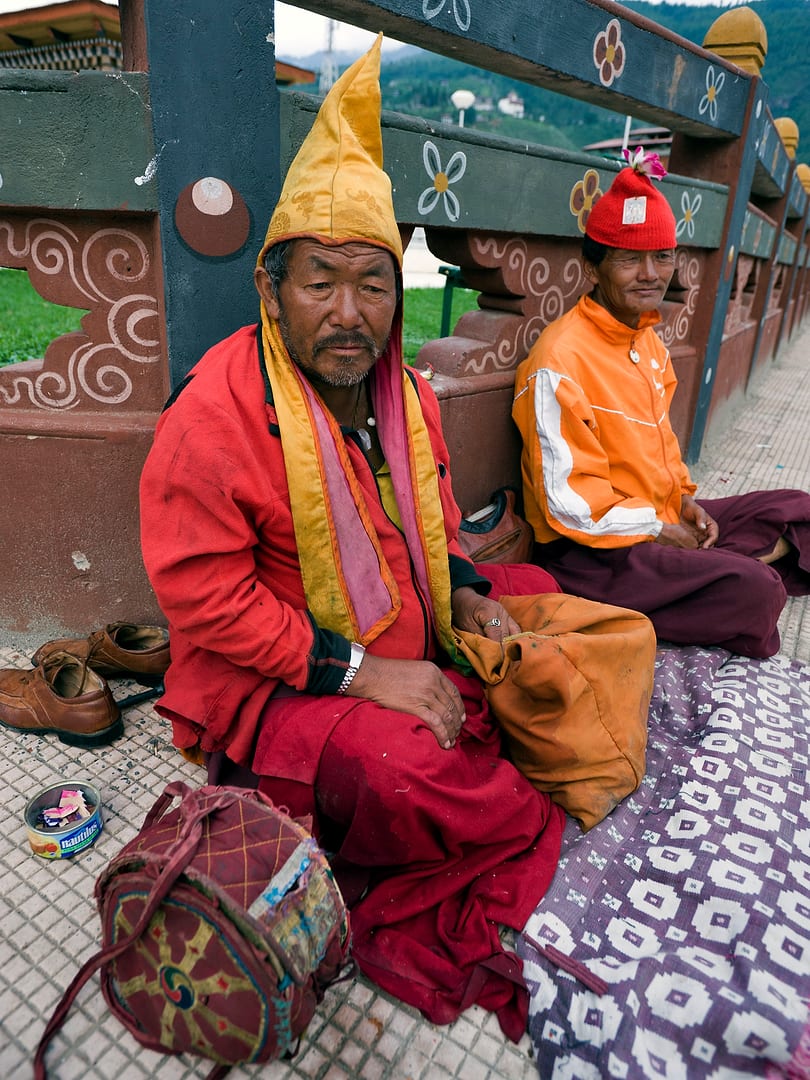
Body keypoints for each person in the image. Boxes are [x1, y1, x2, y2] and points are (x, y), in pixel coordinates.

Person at [139, 36, 565, 1040]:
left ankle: (471, 760)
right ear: (271, 287)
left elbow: (436, 526)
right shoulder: (214, 417)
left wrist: (460, 589)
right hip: (278, 684)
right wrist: (360, 672)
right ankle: (496, 815)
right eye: (318, 281)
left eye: (372, 283)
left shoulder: (405, 396)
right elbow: (203, 599)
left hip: (397, 646)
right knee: (397, 767)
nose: (347, 313)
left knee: (537, 598)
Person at [513, 146, 810, 659]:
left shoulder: (645, 339)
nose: (650, 274)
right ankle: (726, 572)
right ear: (592, 268)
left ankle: (711, 569)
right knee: (758, 591)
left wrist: (687, 503)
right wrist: (656, 529)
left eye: (663, 256)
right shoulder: (557, 362)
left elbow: (663, 449)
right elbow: (570, 507)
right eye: (630, 259)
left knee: (801, 511)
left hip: (659, 520)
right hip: (592, 554)